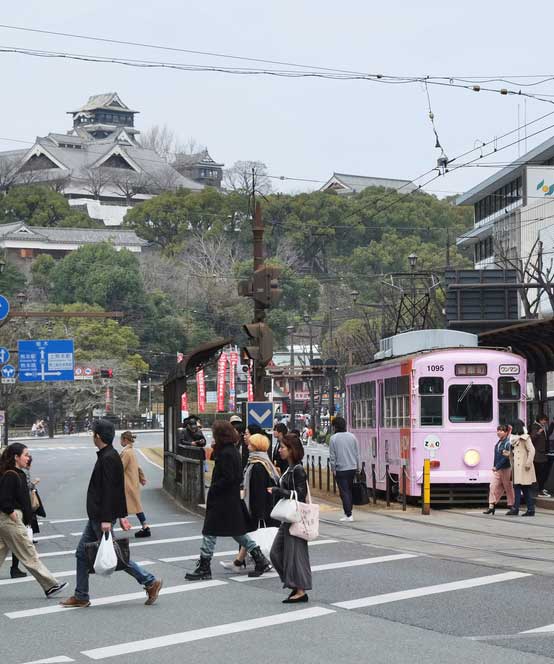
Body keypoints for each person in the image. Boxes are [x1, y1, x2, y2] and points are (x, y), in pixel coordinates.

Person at [60, 419, 162, 608]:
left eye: (93, 434)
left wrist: (108, 519)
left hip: (101, 517)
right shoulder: (110, 455)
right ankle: (81, 595)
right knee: (82, 554)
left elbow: (109, 490)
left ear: (97, 436)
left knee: (116, 556)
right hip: (98, 516)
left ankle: (149, 581)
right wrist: (120, 515)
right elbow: (116, 489)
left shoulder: (108, 457)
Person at [185, 421, 271, 581]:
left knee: (210, 532)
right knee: (237, 532)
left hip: (221, 500)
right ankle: (260, 559)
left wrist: (215, 488)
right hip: (230, 500)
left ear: (220, 435)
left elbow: (228, 477)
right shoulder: (231, 451)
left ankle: (204, 566)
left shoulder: (226, 453)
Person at [0, 443, 67, 597]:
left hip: (8, 520)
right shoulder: (11, 474)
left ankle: (51, 585)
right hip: (10, 520)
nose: (28, 457)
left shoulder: (16, 473)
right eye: (25, 454)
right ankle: (51, 585)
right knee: (29, 553)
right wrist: (11, 513)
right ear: (16, 457)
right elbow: (4, 499)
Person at [221, 433, 280, 571]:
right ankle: (239, 562)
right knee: (247, 534)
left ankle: (246, 562)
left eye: (251, 444)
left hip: (258, 508)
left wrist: (257, 512)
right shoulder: (262, 462)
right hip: (259, 506)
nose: (248, 446)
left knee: (249, 534)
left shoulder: (258, 466)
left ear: (256, 446)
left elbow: (258, 490)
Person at [268, 433, 312, 604]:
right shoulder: (290, 468)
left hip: (295, 517)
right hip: (288, 517)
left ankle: (300, 590)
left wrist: (280, 491)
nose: (279, 450)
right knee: (276, 553)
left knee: (296, 555)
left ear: (292, 450)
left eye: (283, 447)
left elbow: (301, 495)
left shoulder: (298, 470)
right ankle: (294, 584)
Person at [11, 454, 43, 577]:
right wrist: (34, 483)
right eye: (25, 456)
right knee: (22, 543)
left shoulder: (11, 472)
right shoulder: (20, 473)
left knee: (15, 543)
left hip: (14, 512)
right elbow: (25, 488)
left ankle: (15, 568)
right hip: (16, 512)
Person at [329, 416, 360, 522]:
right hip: (352, 467)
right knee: (349, 490)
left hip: (340, 469)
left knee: (344, 491)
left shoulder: (333, 438)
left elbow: (332, 456)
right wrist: (358, 468)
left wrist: (333, 468)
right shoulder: (352, 437)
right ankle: (349, 511)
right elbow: (357, 454)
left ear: (335, 427)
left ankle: (348, 514)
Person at [119, 431, 150, 538]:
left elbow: (120, 468)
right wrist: (142, 478)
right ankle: (145, 526)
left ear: (125, 440)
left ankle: (117, 524)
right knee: (136, 506)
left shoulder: (126, 453)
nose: (120, 442)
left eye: (121, 439)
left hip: (127, 483)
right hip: (133, 482)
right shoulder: (131, 451)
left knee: (119, 504)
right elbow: (138, 467)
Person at [506, 419, 536, 517]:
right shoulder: (512, 439)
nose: (509, 429)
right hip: (516, 468)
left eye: (511, 427)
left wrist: (528, 463)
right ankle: (530, 509)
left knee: (522, 488)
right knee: (521, 488)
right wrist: (508, 454)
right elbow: (513, 453)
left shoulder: (525, 438)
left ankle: (517, 509)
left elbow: (532, 450)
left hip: (524, 468)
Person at [483, 425, 515, 515]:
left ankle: (511, 506)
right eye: (498, 430)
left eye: (501, 431)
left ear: (506, 432)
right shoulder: (499, 442)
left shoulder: (507, 443)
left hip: (506, 468)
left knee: (508, 487)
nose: (499, 432)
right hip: (498, 469)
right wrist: (495, 466)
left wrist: (497, 466)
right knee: (492, 486)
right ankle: (491, 506)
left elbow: (506, 457)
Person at [530, 414, 551, 497]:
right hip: (538, 454)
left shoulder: (542, 426)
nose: (545, 422)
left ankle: (541, 488)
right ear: (540, 419)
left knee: (542, 472)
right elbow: (532, 438)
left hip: (542, 453)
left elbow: (547, 436)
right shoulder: (535, 427)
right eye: (544, 420)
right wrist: (538, 433)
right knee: (540, 473)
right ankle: (540, 490)